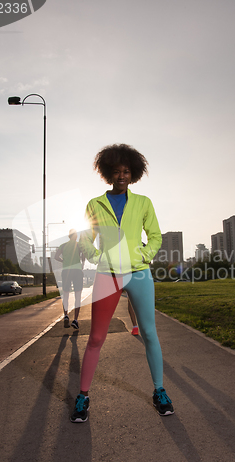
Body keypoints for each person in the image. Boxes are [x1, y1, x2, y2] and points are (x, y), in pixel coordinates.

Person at [70, 144, 174, 423]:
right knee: (96, 338)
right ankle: (83, 396)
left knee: (149, 334)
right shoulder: (95, 204)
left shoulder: (143, 203)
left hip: (139, 273)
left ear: (133, 173)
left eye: (126, 171)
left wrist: (143, 254)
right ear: (108, 174)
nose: (122, 176)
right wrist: (97, 256)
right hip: (107, 274)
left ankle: (159, 391)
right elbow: (85, 238)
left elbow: (155, 236)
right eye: (116, 172)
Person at [54, 229, 83, 330]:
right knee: (77, 295)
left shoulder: (63, 245)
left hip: (66, 271)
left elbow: (56, 256)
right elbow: (84, 256)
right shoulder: (79, 245)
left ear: (69, 236)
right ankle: (75, 320)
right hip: (77, 270)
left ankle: (66, 315)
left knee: (66, 294)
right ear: (75, 236)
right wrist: (82, 263)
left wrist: (63, 261)